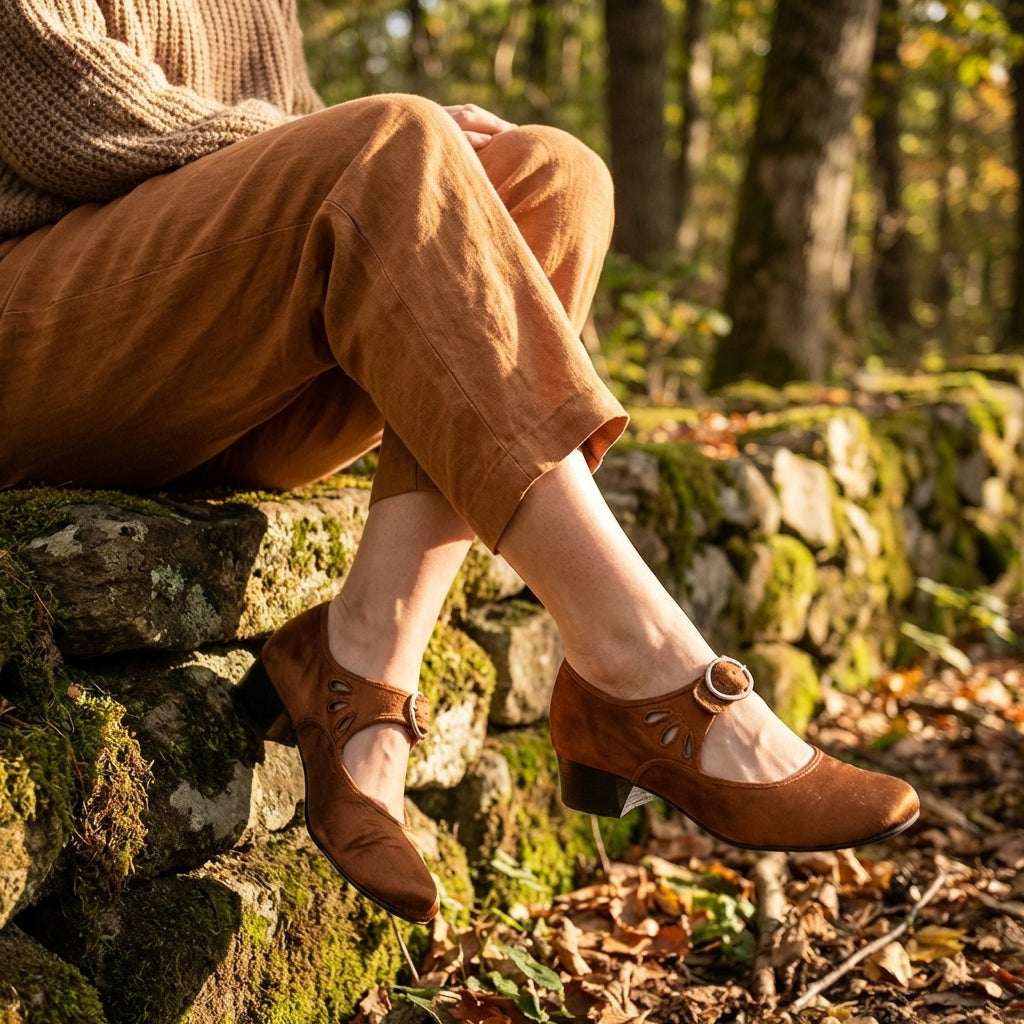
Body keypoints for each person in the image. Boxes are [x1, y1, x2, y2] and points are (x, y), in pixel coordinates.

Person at [0, 0, 919, 926]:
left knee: (556, 177)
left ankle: (365, 656)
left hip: (199, 378)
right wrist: (382, 142)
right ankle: (639, 663)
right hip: (37, 351)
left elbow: (281, 138)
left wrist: (405, 157)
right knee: (394, 140)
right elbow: (64, 122)